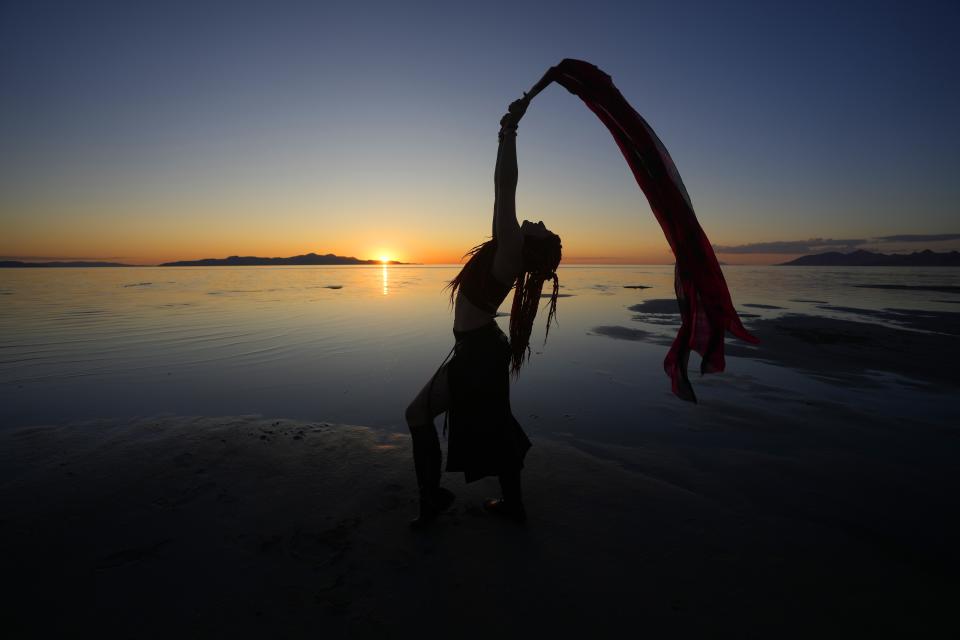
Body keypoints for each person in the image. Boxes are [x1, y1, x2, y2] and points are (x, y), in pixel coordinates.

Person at [404, 94, 562, 528]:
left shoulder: (512, 250)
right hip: (479, 350)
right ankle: (512, 505)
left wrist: (510, 132)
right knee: (495, 425)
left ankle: (431, 502)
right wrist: (501, 137)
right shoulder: (506, 246)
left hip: (477, 354)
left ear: (535, 246)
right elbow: (498, 195)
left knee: (417, 414)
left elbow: (505, 187)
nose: (539, 220)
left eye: (544, 229)